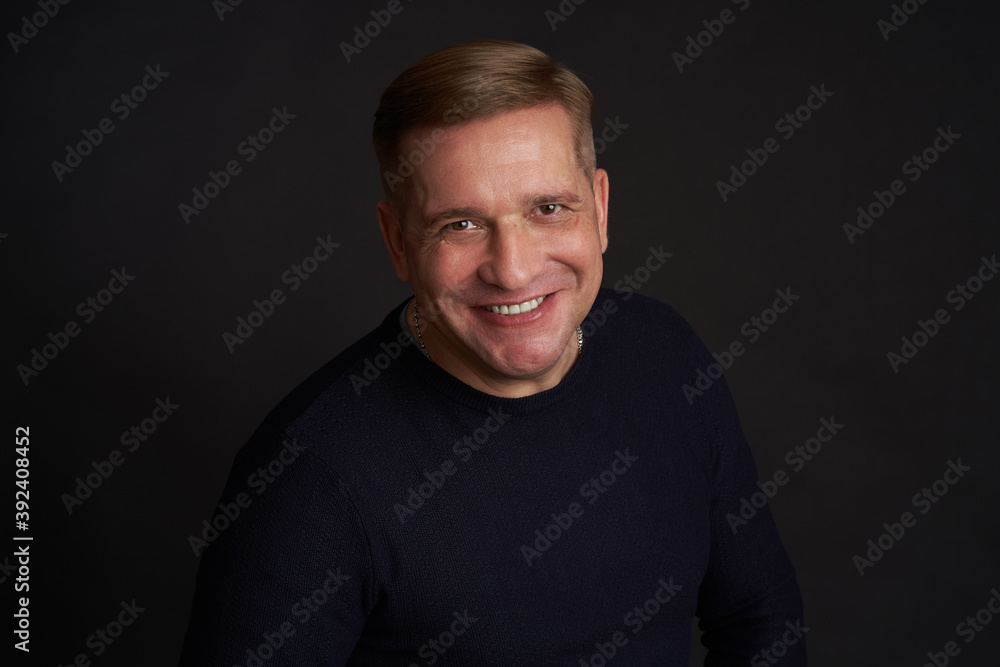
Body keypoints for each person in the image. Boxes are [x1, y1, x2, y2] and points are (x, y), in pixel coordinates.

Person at [180, 40, 805, 666]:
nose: (513, 270)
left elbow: (760, 616)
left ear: (601, 208)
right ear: (398, 242)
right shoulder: (307, 478)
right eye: (461, 224)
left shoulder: (665, 354)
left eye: (549, 208)